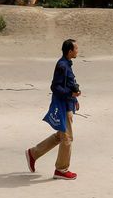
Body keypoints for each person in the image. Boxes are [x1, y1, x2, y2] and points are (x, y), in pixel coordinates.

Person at [26, 39, 81, 180]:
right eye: (76, 48)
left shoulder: (67, 64)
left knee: (60, 136)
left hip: (68, 104)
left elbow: (68, 84)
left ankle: (33, 153)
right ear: (70, 51)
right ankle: (61, 170)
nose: (77, 51)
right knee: (67, 138)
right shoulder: (62, 65)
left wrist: (75, 99)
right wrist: (70, 94)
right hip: (62, 106)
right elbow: (55, 87)